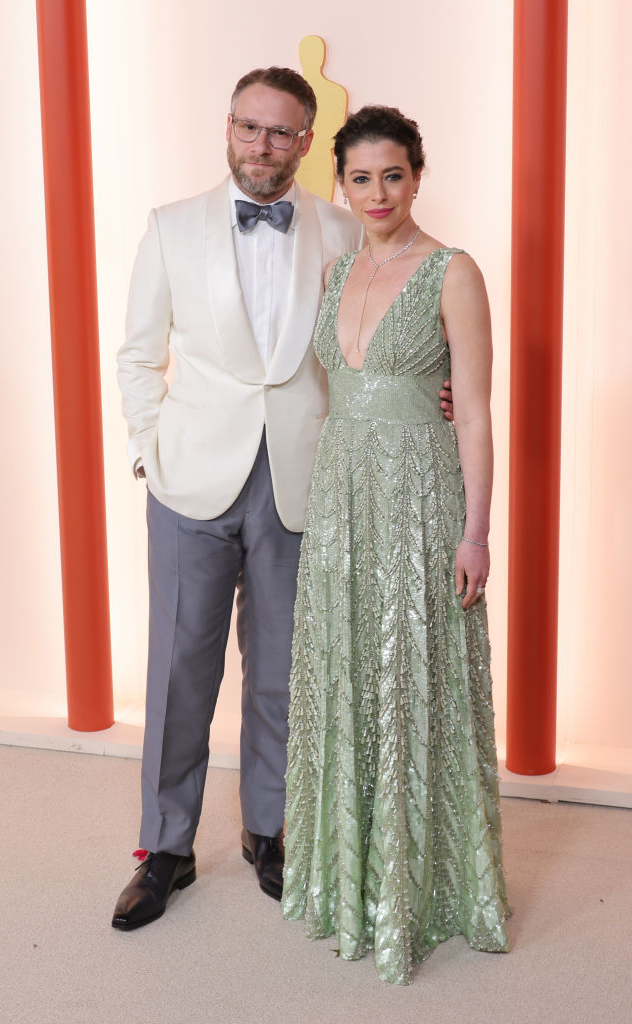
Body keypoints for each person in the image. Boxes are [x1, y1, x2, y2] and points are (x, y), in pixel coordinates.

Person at [113, 72, 453, 932]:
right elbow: (136, 354)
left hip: (305, 475)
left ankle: (271, 831)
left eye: (282, 134)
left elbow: (384, 332)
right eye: (249, 128)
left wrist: (434, 388)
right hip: (190, 476)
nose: (262, 146)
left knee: (283, 673)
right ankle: (165, 849)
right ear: (227, 126)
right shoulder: (169, 226)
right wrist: (151, 452)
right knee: (178, 670)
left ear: (309, 142)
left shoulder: (344, 226)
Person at [281, 106, 510, 985]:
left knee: (409, 678)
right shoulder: (335, 271)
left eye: (393, 175)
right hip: (340, 499)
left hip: (420, 498)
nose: (377, 193)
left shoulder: (453, 272)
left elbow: (479, 412)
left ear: (418, 175)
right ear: (339, 183)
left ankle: (425, 889)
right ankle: (348, 882)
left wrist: (476, 530)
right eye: (360, 178)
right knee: (348, 671)